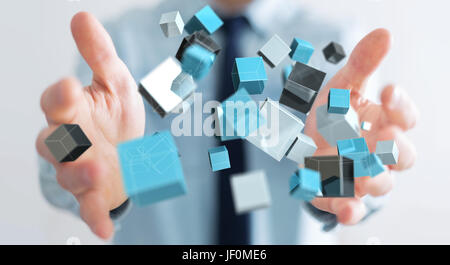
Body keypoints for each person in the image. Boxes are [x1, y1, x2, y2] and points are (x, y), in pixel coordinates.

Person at [36, 0, 419, 244]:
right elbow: (56, 176)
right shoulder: (121, 40)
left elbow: (373, 182)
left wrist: (353, 174)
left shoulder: (336, 42)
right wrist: (97, 176)